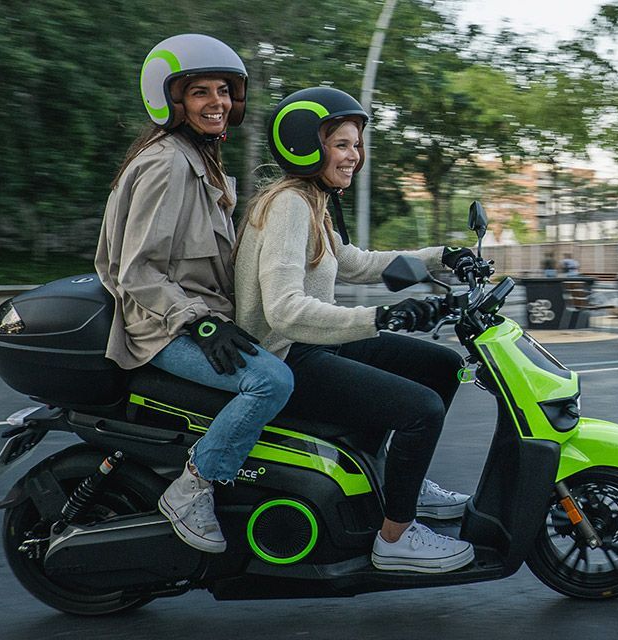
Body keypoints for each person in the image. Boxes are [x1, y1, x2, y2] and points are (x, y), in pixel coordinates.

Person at [234, 87, 477, 573]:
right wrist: (378, 318)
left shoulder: (312, 202)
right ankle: (396, 537)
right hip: (286, 357)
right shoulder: (289, 206)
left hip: (317, 344)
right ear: (306, 145)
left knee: (443, 366)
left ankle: (399, 482)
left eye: (356, 145)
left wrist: (441, 257)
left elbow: (354, 263)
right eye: (342, 144)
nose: (354, 156)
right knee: (421, 410)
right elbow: (283, 310)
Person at [94, 34, 294, 554]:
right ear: (173, 100)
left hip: (194, 316)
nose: (218, 102)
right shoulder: (168, 164)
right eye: (201, 91)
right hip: (159, 328)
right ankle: (194, 486)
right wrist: (199, 324)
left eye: (224, 90)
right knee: (269, 382)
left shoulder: (198, 158)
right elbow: (138, 271)